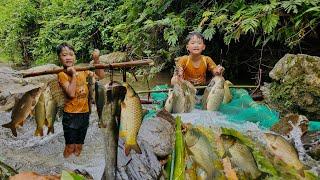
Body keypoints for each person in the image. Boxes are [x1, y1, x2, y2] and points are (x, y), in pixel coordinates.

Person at [57, 43, 105, 158]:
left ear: (75, 57)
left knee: (79, 146)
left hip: (84, 114)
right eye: (64, 55)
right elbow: (71, 93)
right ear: (59, 58)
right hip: (70, 115)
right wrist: (73, 75)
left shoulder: (83, 71)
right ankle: (65, 169)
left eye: (71, 54)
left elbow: (101, 76)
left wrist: (96, 60)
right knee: (70, 147)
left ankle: (76, 170)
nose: (68, 57)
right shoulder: (62, 74)